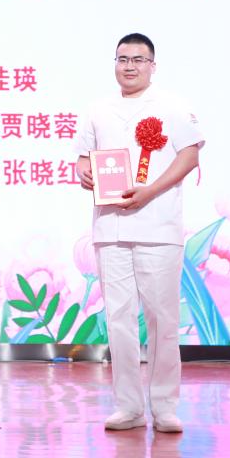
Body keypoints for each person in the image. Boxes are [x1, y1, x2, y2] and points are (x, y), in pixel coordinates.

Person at [74, 33, 204, 433]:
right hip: (110, 227)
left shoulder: (172, 106)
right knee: (118, 319)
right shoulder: (97, 109)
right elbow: (83, 160)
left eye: (138, 59)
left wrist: (150, 190)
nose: (129, 66)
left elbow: (190, 155)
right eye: (122, 59)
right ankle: (128, 406)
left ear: (152, 65)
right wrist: (85, 174)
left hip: (158, 226)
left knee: (163, 319)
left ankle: (164, 406)